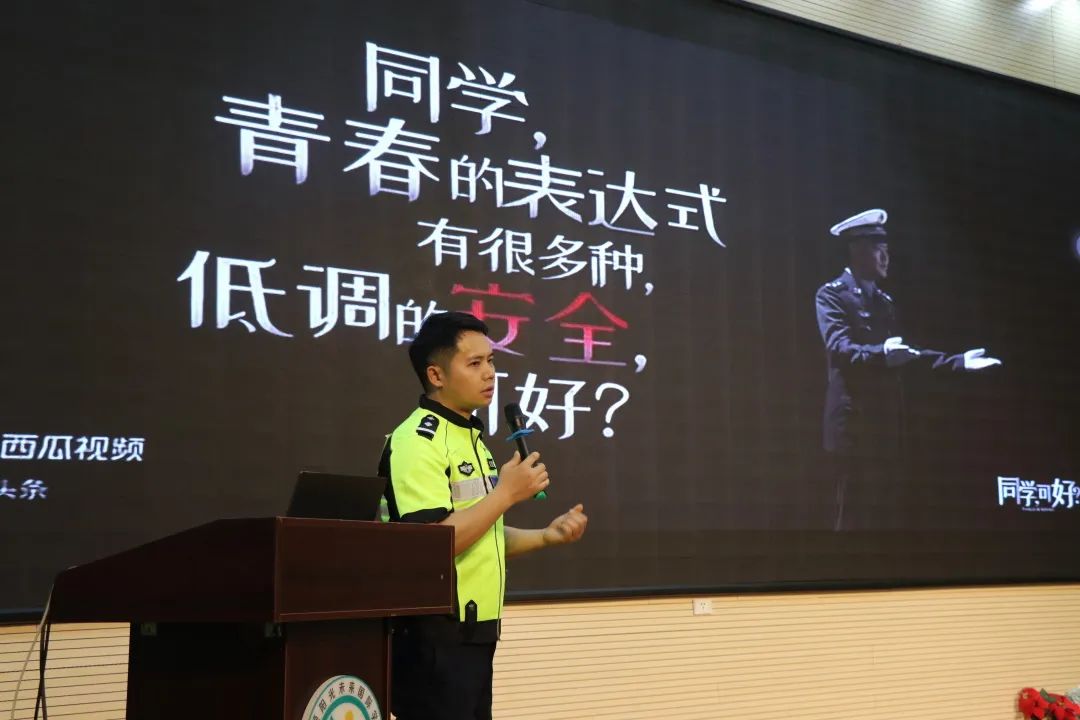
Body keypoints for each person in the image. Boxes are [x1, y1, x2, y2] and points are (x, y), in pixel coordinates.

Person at [379, 311, 588, 720]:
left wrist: (546, 536)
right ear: (436, 375)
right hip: (433, 638)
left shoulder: (470, 439)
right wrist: (506, 493)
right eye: (474, 363)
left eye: (491, 361)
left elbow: (478, 533)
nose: (490, 373)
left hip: (475, 635)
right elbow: (431, 543)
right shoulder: (417, 441)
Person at [814, 209, 1001, 530]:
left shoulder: (884, 301)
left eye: (886, 248)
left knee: (885, 513)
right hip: (852, 423)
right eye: (877, 248)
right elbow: (839, 348)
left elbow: (906, 354)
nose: (886, 256)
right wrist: (882, 354)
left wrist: (957, 361)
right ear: (856, 250)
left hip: (886, 423)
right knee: (852, 514)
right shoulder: (832, 294)